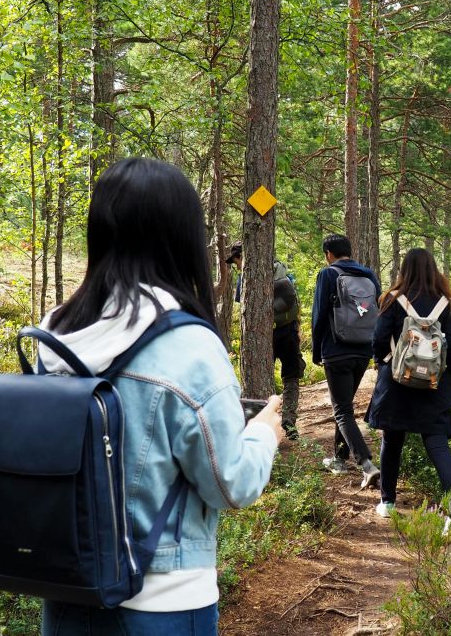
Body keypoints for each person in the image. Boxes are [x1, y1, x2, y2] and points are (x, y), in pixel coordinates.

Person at [37, 158, 283, 636]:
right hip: (165, 601)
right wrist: (262, 435)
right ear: (181, 239)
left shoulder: (56, 333)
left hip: (65, 595)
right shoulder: (187, 345)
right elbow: (230, 484)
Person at [366, 248, 451, 527]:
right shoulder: (447, 304)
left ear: (404, 270)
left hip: (397, 385)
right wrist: (445, 371)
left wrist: (385, 365)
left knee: (392, 440)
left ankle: (387, 502)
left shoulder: (392, 299)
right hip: (434, 386)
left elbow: (378, 339)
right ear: (434, 270)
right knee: (437, 444)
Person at [310, 234, 381, 489]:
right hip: (363, 349)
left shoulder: (328, 274)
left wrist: (316, 350)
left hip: (336, 350)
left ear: (328, 253)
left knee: (342, 410)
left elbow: (319, 316)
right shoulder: (369, 276)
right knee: (345, 408)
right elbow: (378, 310)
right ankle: (339, 459)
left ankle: (367, 465)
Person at [226, 242, 307, 440]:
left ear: (240, 256)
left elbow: (243, 305)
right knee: (291, 377)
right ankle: (289, 421)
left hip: (263, 336)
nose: (235, 265)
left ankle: (262, 424)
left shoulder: (246, 276)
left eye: (235, 261)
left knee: (262, 377)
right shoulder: (279, 269)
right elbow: (293, 301)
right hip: (288, 331)